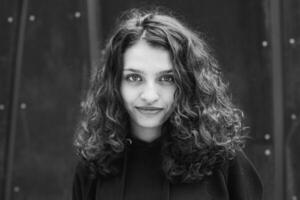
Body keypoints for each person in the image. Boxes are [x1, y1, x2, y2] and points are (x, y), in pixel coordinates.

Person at [72, 8, 263, 200]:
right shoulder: (93, 168)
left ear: (188, 83)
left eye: (167, 78)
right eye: (134, 77)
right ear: (114, 84)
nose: (149, 95)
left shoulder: (224, 162)